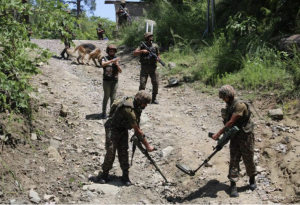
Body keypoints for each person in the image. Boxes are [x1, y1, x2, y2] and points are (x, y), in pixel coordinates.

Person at [99, 90, 155, 186]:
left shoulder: (136, 105)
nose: (146, 105)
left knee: (124, 151)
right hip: (112, 128)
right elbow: (137, 130)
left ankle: (125, 176)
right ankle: (104, 174)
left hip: (122, 128)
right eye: (145, 103)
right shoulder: (129, 109)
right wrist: (148, 146)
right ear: (140, 101)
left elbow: (137, 125)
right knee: (111, 150)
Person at [212, 85, 257, 197]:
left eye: (224, 97)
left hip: (245, 135)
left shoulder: (240, 105)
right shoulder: (229, 105)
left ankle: (252, 179)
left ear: (229, 95)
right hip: (234, 136)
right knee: (234, 159)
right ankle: (233, 184)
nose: (223, 100)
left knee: (248, 157)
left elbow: (231, 122)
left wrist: (218, 134)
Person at [133, 32, 160, 104]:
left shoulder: (155, 46)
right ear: (147, 38)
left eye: (151, 36)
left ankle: (154, 99)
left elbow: (158, 55)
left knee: (156, 82)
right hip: (144, 67)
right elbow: (134, 53)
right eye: (150, 36)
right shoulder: (142, 45)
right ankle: (140, 99)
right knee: (142, 84)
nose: (151, 37)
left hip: (153, 67)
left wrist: (158, 58)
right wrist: (142, 51)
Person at [100, 45, 122, 119]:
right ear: (108, 51)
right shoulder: (104, 58)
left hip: (115, 81)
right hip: (106, 81)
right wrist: (111, 61)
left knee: (113, 97)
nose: (112, 52)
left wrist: (117, 64)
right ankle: (103, 112)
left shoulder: (117, 59)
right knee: (106, 96)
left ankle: (112, 112)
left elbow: (120, 71)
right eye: (110, 51)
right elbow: (102, 64)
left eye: (113, 51)